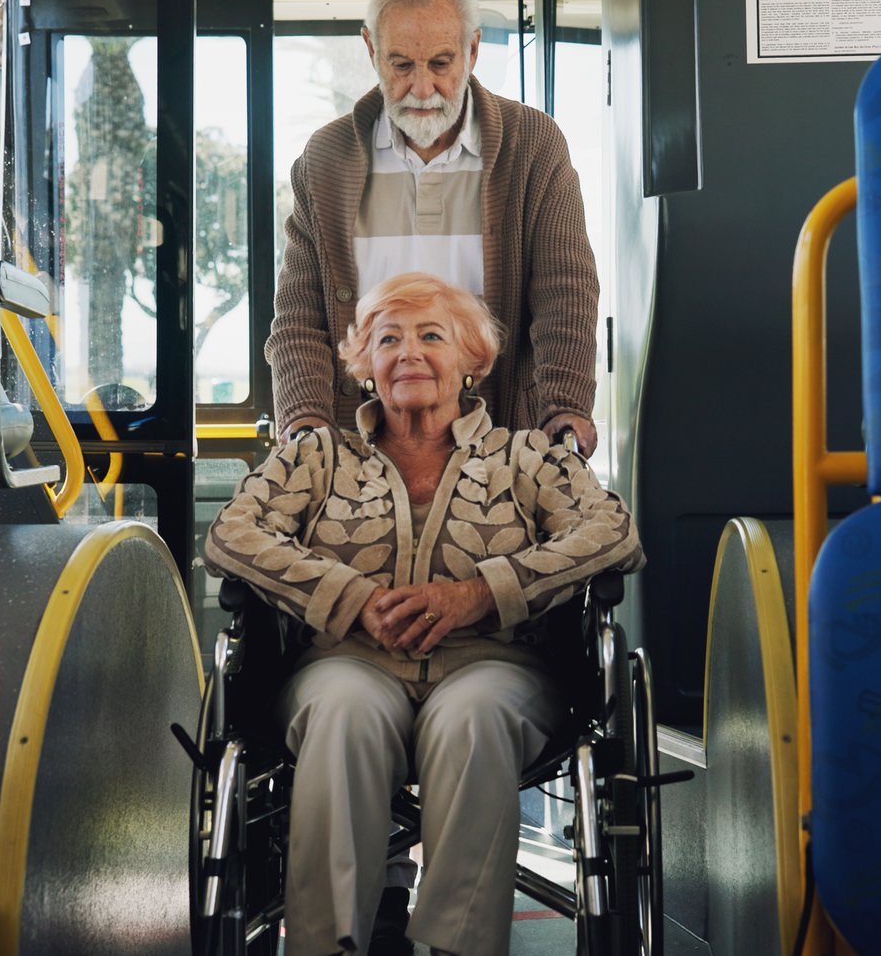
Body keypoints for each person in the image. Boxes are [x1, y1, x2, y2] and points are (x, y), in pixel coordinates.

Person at [205, 272, 642, 955]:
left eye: (430, 335)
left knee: (474, 715)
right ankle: (327, 945)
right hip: (347, 662)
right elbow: (233, 534)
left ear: (472, 360)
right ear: (365, 365)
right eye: (388, 339)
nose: (407, 352)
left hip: (493, 664)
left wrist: (478, 593)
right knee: (343, 710)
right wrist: (350, 599)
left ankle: (457, 946)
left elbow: (611, 532)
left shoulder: (523, 456)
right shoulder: (319, 457)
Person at [269, 0, 602, 457]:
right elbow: (299, 314)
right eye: (401, 65)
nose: (422, 90)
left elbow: (564, 292)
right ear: (370, 49)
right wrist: (304, 417)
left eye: (441, 64)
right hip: (359, 446)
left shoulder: (534, 146)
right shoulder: (325, 158)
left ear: (472, 49)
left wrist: (564, 403)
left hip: (500, 441)